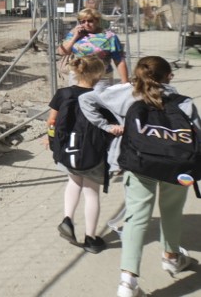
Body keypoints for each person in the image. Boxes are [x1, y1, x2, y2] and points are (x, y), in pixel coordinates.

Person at [79, 56, 201, 297]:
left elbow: (85, 99)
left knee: (136, 218)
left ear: (137, 75)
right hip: (175, 168)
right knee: (171, 212)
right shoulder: (184, 103)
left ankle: (128, 283)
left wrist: (109, 127)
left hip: (139, 163)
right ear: (170, 77)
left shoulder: (125, 94)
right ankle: (171, 257)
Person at [47, 56, 121, 254]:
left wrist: (52, 142)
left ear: (76, 71)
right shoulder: (101, 99)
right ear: (99, 74)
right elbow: (109, 127)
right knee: (91, 192)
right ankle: (90, 238)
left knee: (73, 182)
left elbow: (51, 121)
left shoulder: (63, 93)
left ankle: (67, 219)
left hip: (69, 151)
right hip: (92, 153)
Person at [57, 8, 129, 91]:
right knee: (76, 101)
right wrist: (75, 37)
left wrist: (125, 83)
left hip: (100, 78)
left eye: (90, 21)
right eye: (82, 22)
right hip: (77, 76)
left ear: (97, 21)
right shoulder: (74, 33)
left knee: (99, 102)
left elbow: (119, 60)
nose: (86, 24)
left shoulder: (109, 36)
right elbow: (63, 52)